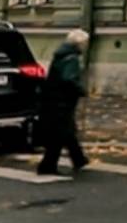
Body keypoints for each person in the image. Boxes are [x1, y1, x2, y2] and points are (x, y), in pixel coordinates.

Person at [36, 28, 91, 175]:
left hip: (53, 98)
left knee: (67, 130)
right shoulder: (72, 59)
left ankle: (78, 158)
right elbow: (69, 79)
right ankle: (47, 166)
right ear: (80, 44)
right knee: (60, 133)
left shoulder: (61, 55)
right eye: (85, 43)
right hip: (63, 100)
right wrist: (81, 90)